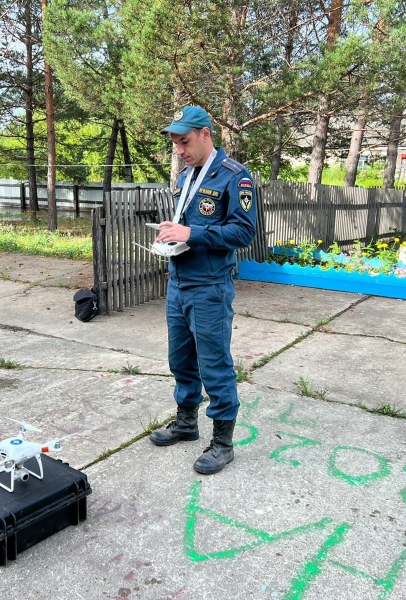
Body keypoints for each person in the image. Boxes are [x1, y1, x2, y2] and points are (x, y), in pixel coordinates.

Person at [149, 105, 257, 475]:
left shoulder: (234, 176)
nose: (179, 150)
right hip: (178, 283)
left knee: (215, 366)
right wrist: (175, 227)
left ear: (206, 134)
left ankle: (223, 443)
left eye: (185, 141)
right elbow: (191, 222)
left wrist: (192, 233)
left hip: (209, 287)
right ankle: (186, 423)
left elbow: (244, 233)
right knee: (180, 361)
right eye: (176, 143)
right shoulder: (188, 175)